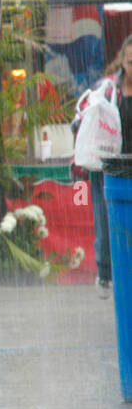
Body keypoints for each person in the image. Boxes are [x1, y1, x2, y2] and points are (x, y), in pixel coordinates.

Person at [73, 34, 132, 298]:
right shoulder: (107, 90)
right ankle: (106, 273)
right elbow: (81, 118)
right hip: (108, 167)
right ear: (122, 60)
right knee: (106, 222)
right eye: (130, 62)